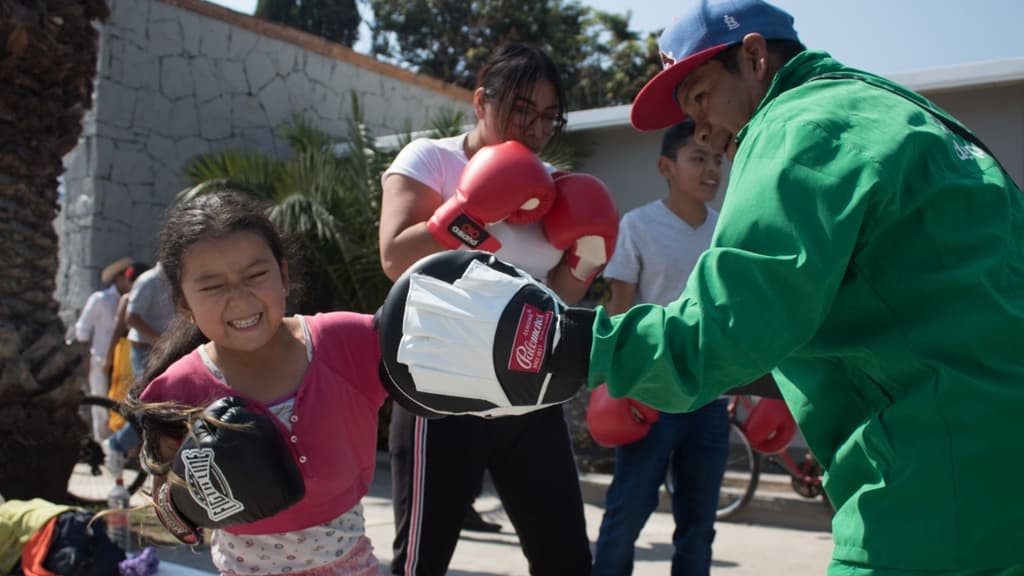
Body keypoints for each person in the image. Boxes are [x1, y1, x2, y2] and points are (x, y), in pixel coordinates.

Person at [379, 1, 1024, 574]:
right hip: (980, 452)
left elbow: (725, 326)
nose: (704, 126)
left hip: (933, 479)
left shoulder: (799, 132)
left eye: (702, 95)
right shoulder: (905, 114)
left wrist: (569, 346)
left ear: (753, 55)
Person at [378, 42, 615, 575]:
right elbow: (394, 258)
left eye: (548, 116)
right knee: (421, 563)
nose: (534, 126)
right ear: (482, 101)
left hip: (528, 392)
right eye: (521, 108)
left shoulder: (554, 187)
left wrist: (585, 262)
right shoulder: (431, 159)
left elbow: (556, 300)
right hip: (439, 389)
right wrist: (466, 213)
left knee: (567, 559)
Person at [131, 190, 388, 575]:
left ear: (282, 275)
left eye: (255, 275)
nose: (239, 298)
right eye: (213, 286)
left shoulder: (351, 342)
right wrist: (193, 498)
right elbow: (169, 512)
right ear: (184, 303)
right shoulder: (176, 391)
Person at [591, 120, 728, 576]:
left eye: (717, 160)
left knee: (699, 525)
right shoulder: (639, 224)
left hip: (709, 398)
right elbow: (620, 311)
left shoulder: (728, 232)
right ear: (666, 167)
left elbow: (732, 318)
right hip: (649, 394)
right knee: (626, 513)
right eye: (698, 158)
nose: (712, 170)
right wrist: (616, 383)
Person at [105, 256, 175, 460]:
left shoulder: (176, 281)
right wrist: (159, 340)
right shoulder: (149, 281)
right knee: (149, 403)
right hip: (144, 351)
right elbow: (131, 317)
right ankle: (117, 444)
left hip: (165, 351)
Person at [75, 256, 135, 441]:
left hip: (123, 360)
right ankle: (103, 442)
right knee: (100, 401)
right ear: (118, 279)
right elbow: (82, 329)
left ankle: (118, 441)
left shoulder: (133, 300)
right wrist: (86, 356)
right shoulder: (100, 299)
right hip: (100, 358)